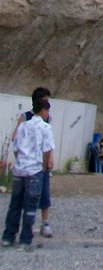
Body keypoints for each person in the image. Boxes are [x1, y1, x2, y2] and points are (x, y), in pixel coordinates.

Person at [2, 97, 55, 250]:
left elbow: (16, 147)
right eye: (47, 111)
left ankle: (8, 236)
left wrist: (20, 161)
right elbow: (47, 149)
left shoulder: (23, 126)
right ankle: (25, 240)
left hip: (20, 169)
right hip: (34, 169)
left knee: (15, 204)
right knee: (30, 206)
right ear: (43, 110)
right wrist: (44, 166)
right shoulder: (45, 128)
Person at [12, 86, 54, 238]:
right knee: (26, 198)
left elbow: (48, 143)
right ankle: (25, 232)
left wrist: (50, 159)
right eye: (46, 102)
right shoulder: (25, 117)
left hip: (39, 163)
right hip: (31, 164)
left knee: (44, 192)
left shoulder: (47, 119)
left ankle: (45, 222)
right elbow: (15, 139)